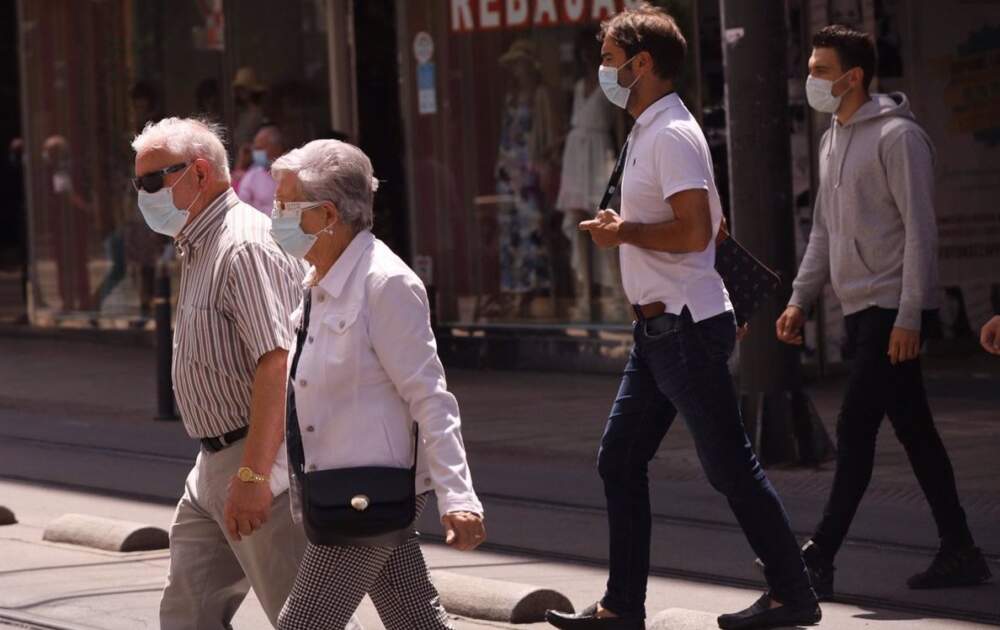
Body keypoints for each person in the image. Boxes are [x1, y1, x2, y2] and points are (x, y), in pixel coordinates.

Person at [546, 6, 820, 630]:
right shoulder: (647, 129)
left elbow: (696, 231)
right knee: (620, 459)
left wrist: (626, 235)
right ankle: (622, 607)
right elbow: (714, 225)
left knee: (730, 467)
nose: (605, 71)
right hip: (660, 331)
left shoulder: (670, 133)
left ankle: (793, 594)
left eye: (612, 60)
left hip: (684, 330)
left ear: (643, 64)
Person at [776, 24, 991, 599]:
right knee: (915, 432)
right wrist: (801, 298)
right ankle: (961, 550)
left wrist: (911, 316)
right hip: (857, 306)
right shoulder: (830, 139)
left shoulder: (899, 138)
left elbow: (922, 230)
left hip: (890, 308)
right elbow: (824, 231)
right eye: (812, 68)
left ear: (854, 77)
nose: (811, 79)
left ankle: (818, 556)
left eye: (821, 70)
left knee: (855, 428)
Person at [131, 117, 362, 630]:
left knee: (308, 620)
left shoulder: (243, 245)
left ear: (197, 174)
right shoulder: (198, 242)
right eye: (137, 182)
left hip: (258, 461)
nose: (142, 194)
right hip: (211, 465)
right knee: (187, 615)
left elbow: (277, 363)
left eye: (150, 182)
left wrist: (255, 476)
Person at [269, 139, 486, 629]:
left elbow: (431, 398)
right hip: (340, 484)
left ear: (326, 214)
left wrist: (459, 498)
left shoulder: (385, 283)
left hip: (370, 492)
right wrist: (271, 477)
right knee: (416, 621)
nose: (274, 217)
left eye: (284, 206)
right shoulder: (317, 283)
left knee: (302, 625)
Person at [555, 28, 627, 323]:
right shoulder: (577, 86)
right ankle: (584, 297)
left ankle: (618, 299)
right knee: (577, 224)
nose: (587, 59)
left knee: (605, 222)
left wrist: (622, 164)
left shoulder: (609, 86)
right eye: (583, 54)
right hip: (576, 155)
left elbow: (620, 127)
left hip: (599, 155)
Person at [495, 39, 558, 318]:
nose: (518, 70)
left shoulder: (540, 95)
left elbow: (547, 132)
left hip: (529, 169)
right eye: (514, 65)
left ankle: (538, 288)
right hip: (509, 170)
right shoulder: (510, 95)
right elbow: (506, 133)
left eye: (521, 64)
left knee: (532, 228)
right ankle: (516, 290)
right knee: (509, 233)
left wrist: (543, 163)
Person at [237, 123, 283, 214]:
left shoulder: (292, 174)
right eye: (256, 149)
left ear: (277, 148)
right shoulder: (251, 177)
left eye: (260, 148)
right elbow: (242, 208)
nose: (257, 153)